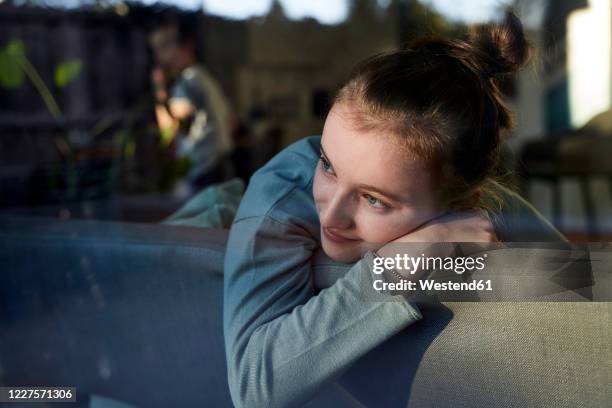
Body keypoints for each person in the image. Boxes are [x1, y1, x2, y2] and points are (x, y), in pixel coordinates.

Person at [223, 12, 566, 408]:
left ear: (460, 205)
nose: (331, 215)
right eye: (328, 165)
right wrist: (403, 261)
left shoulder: (487, 207)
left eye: (374, 199)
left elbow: (582, 289)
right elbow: (253, 387)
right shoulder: (281, 198)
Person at [149, 12, 234, 195]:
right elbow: (231, 120)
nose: (161, 57)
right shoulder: (204, 77)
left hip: (202, 169)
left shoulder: (189, 80)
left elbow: (169, 128)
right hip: (216, 162)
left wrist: (160, 89)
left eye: (164, 47)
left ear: (186, 47)